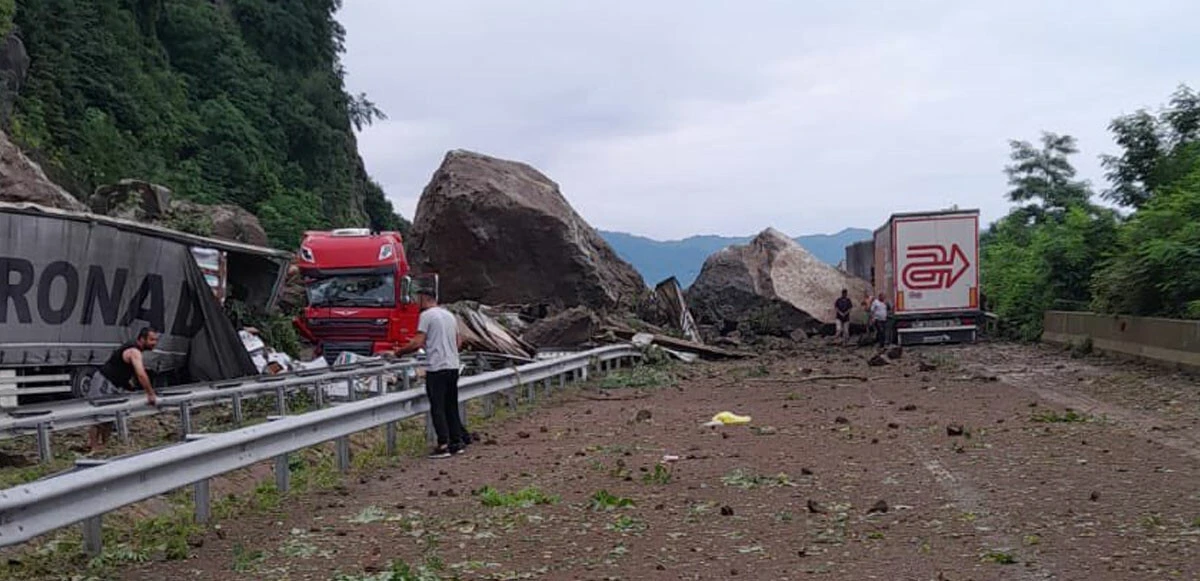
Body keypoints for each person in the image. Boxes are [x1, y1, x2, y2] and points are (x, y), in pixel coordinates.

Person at [392, 290, 469, 458]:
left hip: (436, 367)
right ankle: (457, 442)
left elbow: (418, 341)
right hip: (453, 365)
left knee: (437, 406)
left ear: (423, 299)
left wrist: (399, 352)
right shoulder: (449, 315)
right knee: (451, 405)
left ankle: (443, 444)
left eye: (417, 300)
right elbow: (459, 342)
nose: (416, 303)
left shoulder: (427, 315)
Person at [87, 327, 160, 452]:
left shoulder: (136, 349)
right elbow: (141, 374)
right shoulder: (134, 351)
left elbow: (124, 369)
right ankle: (93, 446)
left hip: (115, 384)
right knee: (99, 415)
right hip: (104, 381)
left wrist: (128, 386)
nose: (155, 343)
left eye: (156, 340)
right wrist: (150, 394)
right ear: (142, 339)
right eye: (152, 340)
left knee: (110, 416)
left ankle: (104, 446)